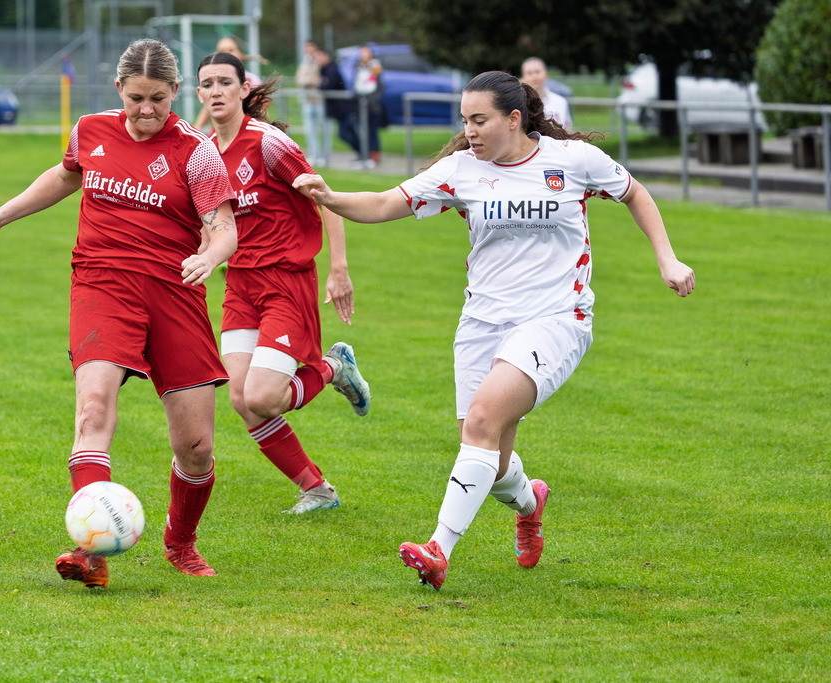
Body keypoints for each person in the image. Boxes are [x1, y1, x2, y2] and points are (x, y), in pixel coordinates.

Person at [294, 70, 695, 590]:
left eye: (479, 120)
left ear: (514, 118)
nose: (471, 130)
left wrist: (668, 259)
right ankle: (530, 504)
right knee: (489, 452)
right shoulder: (460, 170)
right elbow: (385, 202)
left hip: (556, 319)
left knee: (483, 420)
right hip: (481, 323)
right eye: (465, 120)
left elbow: (634, 193)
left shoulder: (570, 161)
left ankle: (438, 549)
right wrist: (330, 195)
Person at [0, 38, 239, 585]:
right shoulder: (90, 130)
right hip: (101, 283)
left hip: (174, 292)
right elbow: (67, 175)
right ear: (119, 90)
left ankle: (180, 544)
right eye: (136, 97)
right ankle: (89, 552)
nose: (146, 110)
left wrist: (209, 255)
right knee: (92, 414)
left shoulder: (195, 151)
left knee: (197, 446)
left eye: (158, 99)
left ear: (176, 93)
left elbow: (225, 228)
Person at [197, 50, 371, 513]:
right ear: (199, 93)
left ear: (243, 91)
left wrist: (339, 270)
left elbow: (326, 200)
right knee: (241, 399)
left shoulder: (269, 144)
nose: (216, 91)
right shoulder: (202, 152)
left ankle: (334, 367)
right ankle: (317, 490)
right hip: (240, 284)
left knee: (263, 396)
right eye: (207, 84)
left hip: (285, 280)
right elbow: (211, 220)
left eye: (224, 83)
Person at [193, 35, 263, 132]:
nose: (216, 93)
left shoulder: (253, 81)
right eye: (208, 85)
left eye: (226, 83)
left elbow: (259, 112)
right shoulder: (210, 143)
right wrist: (197, 128)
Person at [317, 49, 362, 160]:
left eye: (320, 56)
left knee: (345, 133)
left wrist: (321, 83)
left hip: (343, 109)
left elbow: (326, 86)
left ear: (326, 56)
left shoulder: (332, 69)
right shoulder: (324, 69)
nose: (319, 60)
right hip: (338, 109)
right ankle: (362, 153)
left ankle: (364, 152)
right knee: (347, 132)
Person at [295, 39, 325, 166]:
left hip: (318, 99)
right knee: (309, 129)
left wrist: (310, 79)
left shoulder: (319, 61)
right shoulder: (305, 61)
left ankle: (323, 155)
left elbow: (320, 79)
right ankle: (314, 154)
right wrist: (311, 79)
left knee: (322, 129)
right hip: (307, 99)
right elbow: (300, 79)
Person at [352, 45, 383, 167]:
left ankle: (374, 156)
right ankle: (364, 155)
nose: (363, 56)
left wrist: (370, 99)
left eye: (365, 53)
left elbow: (373, 85)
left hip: (371, 105)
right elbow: (357, 85)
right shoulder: (358, 66)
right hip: (360, 103)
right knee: (362, 130)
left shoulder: (375, 66)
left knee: (372, 131)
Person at [521, 57, 573, 129]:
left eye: (537, 72)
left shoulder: (561, 102)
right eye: (529, 73)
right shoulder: (519, 104)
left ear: (546, 74)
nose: (534, 77)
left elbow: (568, 129)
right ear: (523, 77)